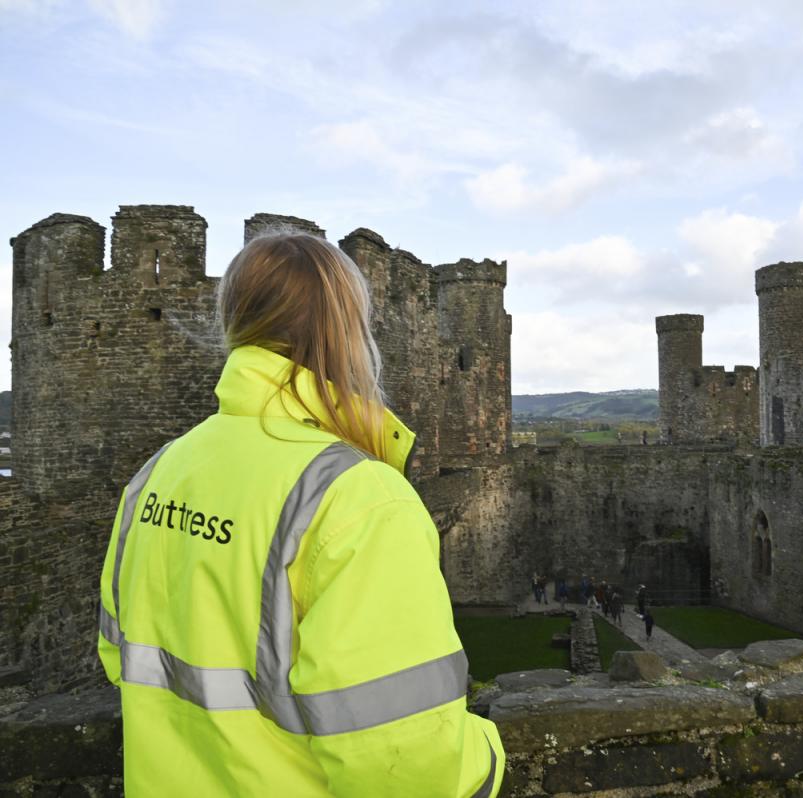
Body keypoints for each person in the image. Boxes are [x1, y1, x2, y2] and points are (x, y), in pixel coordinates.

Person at [96, 231, 503, 797]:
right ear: (349, 332)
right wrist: (486, 755)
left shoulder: (158, 473)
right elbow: (407, 764)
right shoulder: (358, 497)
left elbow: (121, 656)